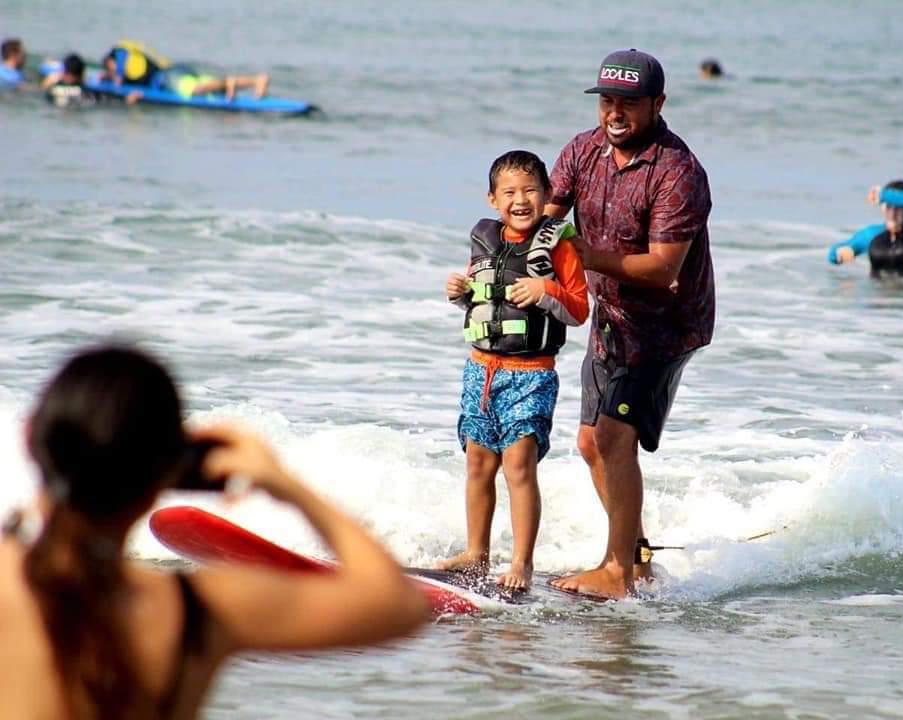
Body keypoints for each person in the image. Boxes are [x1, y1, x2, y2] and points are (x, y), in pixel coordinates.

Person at [0, 344, 427, 719]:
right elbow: (398, 603)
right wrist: (285, 485)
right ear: (167, 475)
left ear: (30, 440)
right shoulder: (201, 609)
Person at [544, 49, 715, 599]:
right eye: (608, 102)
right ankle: (635, 558)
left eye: (629, 104)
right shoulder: (583, 149)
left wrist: (584, 254)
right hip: (610, 317)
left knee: (616, 436)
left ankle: (617, 572)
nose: (615, 114)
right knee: (592, 443)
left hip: (666, 324)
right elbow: (550, 212)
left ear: (658, 104)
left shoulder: (677, 172)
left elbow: (664, 266)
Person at [440, 150, 589, 591]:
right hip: (480, 372)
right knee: (478, 464)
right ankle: (476, 553)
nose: (520, 200)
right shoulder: (486, 242)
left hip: (531, 373)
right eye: (509, 192)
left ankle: (521, 562)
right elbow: (480, 301)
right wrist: (458, 293)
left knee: (519, 465)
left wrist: (545, 290)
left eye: (530, 191)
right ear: (492, 199)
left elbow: (578, 310)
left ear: (546, 197)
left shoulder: (557, 246)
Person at [827, 181, 903, 283]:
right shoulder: (872, 234)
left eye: (899, 208)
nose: (892, 214)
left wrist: (884, 196)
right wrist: (837, 255)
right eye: (888, 206)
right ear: (882, 208)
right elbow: (832, 254)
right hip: (876, 299)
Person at [101, 42, 270, 102]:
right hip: (178, 71)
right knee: (211, 88)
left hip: (169, 79)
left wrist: (120, 92)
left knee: (194, 91)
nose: (110, 71)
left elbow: (119, 77)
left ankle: (229, 82)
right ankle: (256, 81)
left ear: (110, 61)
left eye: (109, 67)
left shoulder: (119, 53)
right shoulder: (133, 57)